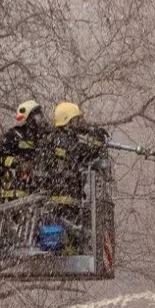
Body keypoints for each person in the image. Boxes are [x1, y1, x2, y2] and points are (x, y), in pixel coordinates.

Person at [44, 101, 109, 253]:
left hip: (60, 197)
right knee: (71, 237)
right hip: (65, 197)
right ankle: (68, 251)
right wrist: (97, 141)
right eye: (75, 120)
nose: (78, 124)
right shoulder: (64, 141)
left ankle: (66, 250)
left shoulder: (55, 139)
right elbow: (84, 153)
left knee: (67, 237)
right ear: (67, 121)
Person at [0, 100, 47, 200]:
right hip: (14, 191)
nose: (41, 119)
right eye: (37, 116)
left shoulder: (41, 136)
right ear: (29, 118)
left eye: (40, 115)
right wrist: (17, 162)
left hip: (33, 190)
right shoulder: (14, 135)